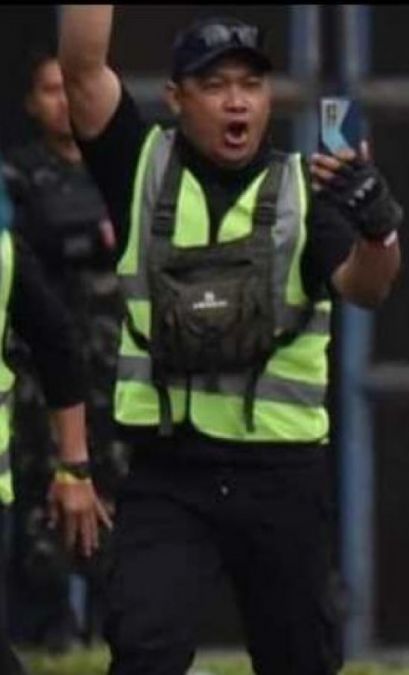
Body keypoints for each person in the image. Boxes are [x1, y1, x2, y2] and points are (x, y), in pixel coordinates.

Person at [58, 6, 402, 674]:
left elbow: (367, 287)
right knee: (144, 647)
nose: (236, 100)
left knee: (299, 657)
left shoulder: (307, 188)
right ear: (177, 98)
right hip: (170, 473)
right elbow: (81, 72)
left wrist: (379, 230)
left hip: (281, 473)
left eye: (251, 83)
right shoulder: (140, 165)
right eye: (215, 85)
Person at [2, 44, 125, 651]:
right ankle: (47, 633)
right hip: (38, 371)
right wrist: (84, 233)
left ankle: (119, 631)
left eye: (67, 88)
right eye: (48, 89)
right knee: (37, 497)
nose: (61, 101)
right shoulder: (18, 172)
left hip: (113, 369)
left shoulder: (119, 166)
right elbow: (42, 239)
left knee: (117, 498)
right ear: (31, 103)